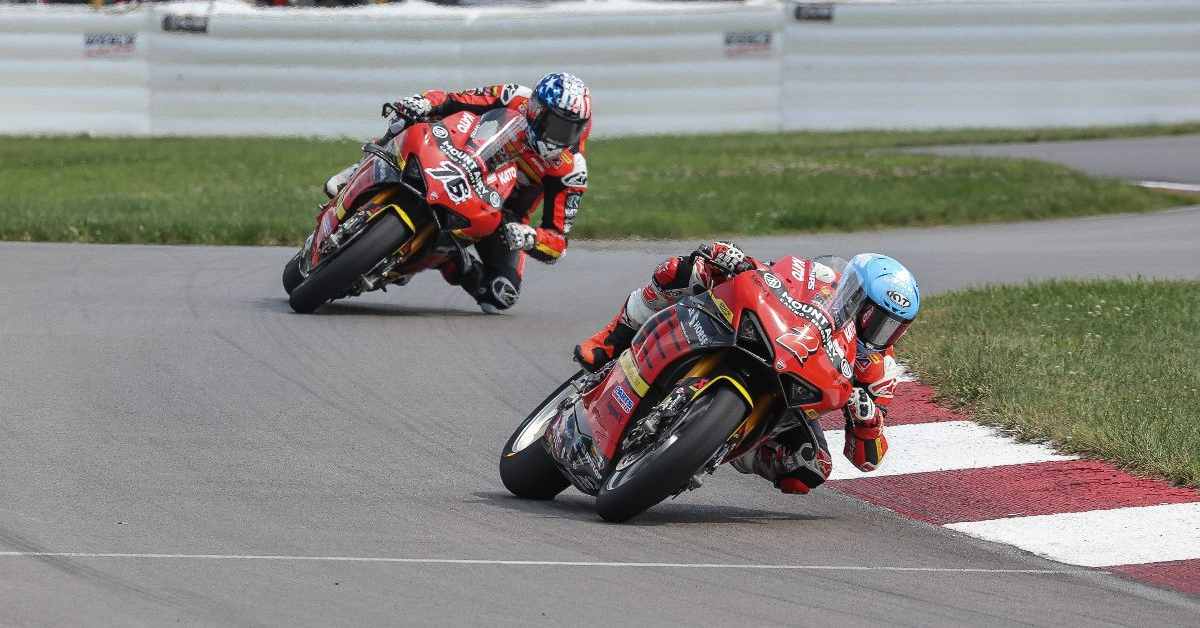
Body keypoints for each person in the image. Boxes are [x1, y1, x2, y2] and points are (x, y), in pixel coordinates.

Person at [574, 243, 920, 495]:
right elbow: (770, 273)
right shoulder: (822, 279)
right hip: (766, 335)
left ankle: (717, 446)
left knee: (809, 468)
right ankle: (613, 338)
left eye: (892, 327)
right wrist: (735, 259)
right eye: (875, 318)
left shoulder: (879, 368)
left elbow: (867, 460)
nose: (879, 332)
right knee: (686, 270)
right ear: (853, 291)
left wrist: (867, 420)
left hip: (795, 396)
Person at [324, 72, 592, 314]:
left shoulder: (571, 170)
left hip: (500, 212)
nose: (559, 138)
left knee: (500, 295)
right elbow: (454, 100)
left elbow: (557, 240)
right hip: (460, 155)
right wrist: (425, 102)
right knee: (411, 113)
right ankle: (362, 167)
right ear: (535, 110)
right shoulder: (515, 97)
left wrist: (530, 238)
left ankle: (450, 257)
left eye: (570, 130)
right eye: (555, 126)